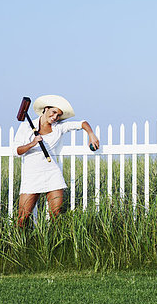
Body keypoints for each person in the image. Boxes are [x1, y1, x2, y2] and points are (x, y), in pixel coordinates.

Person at [12, 94, 99, 227]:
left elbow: (82, 123)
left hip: (52, 173)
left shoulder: (59, 127)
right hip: (32, 175)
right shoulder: (26, 127)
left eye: (58, 115)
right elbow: (16, 151)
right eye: (53, 113)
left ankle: (52, 244)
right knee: (22, 219)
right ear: (46, 109)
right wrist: (32, 143)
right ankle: (20, 245)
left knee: (56, 217)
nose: (55, 118)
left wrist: (91, 135)